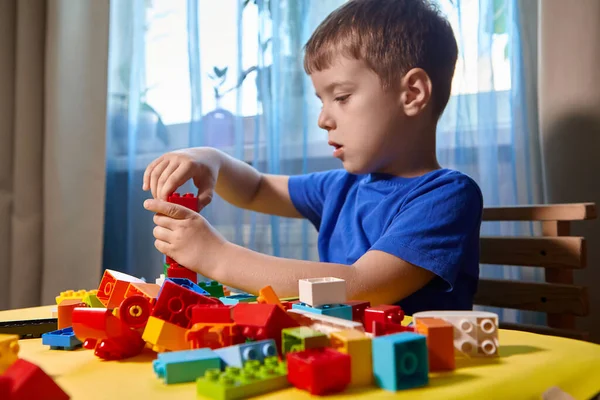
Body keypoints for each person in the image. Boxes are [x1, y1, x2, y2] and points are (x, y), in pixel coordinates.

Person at [142, 0, 483, 313]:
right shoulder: (342, 186)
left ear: (412, 93)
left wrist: (216, 257)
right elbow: (256, 189)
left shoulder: (445, 196)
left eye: (342, 96)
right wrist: (210, 158)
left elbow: (362, 286)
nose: (323, 119)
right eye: (322, 101)